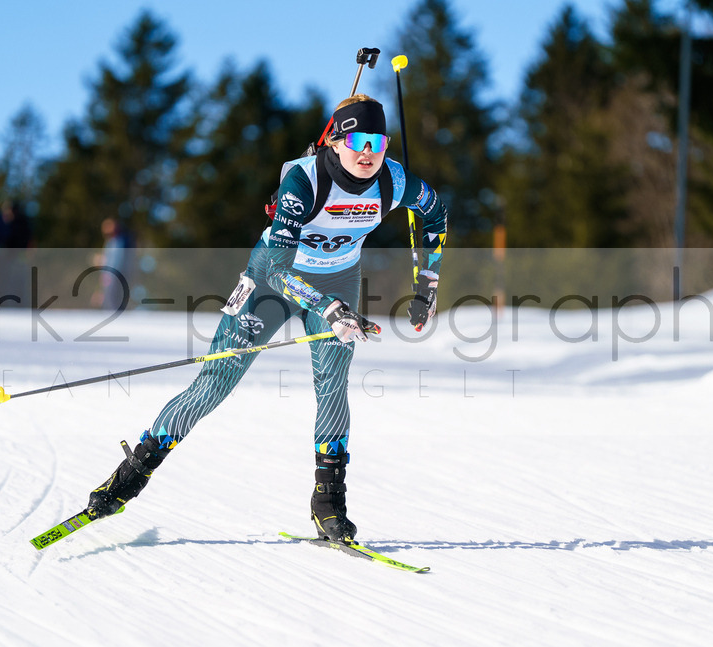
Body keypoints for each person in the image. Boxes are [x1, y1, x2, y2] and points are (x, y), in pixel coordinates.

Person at [85, 94, 447, 542]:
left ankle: (328, 504)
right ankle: (128, 477)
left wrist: (427, 283)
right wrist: (329, 309)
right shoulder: (304, 181)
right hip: (273, 282)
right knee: (214, 382)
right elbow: (277, 269)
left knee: (332, 384)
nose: (368, 152)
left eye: (377, 141)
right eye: (356, 140)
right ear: (335, 141)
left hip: (337, 279)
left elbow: (435, 213)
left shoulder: (394, 180)